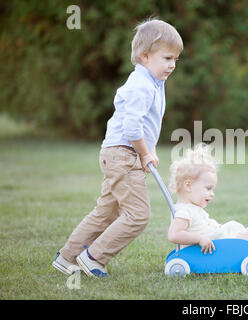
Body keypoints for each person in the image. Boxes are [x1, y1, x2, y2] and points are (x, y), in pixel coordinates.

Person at [52, 18, 183, 278]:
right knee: (137, 215)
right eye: (167, 58)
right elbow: (132, 128)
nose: (172, 65)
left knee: (107, 212)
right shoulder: (141, 85)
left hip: (120, 153)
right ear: (145, 56)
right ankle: (92, 258)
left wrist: (150, 150)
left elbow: (143, 124)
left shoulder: (154, 82)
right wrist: (144, 153)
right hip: (123, 154)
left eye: (176, 59)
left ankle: (67, 258)